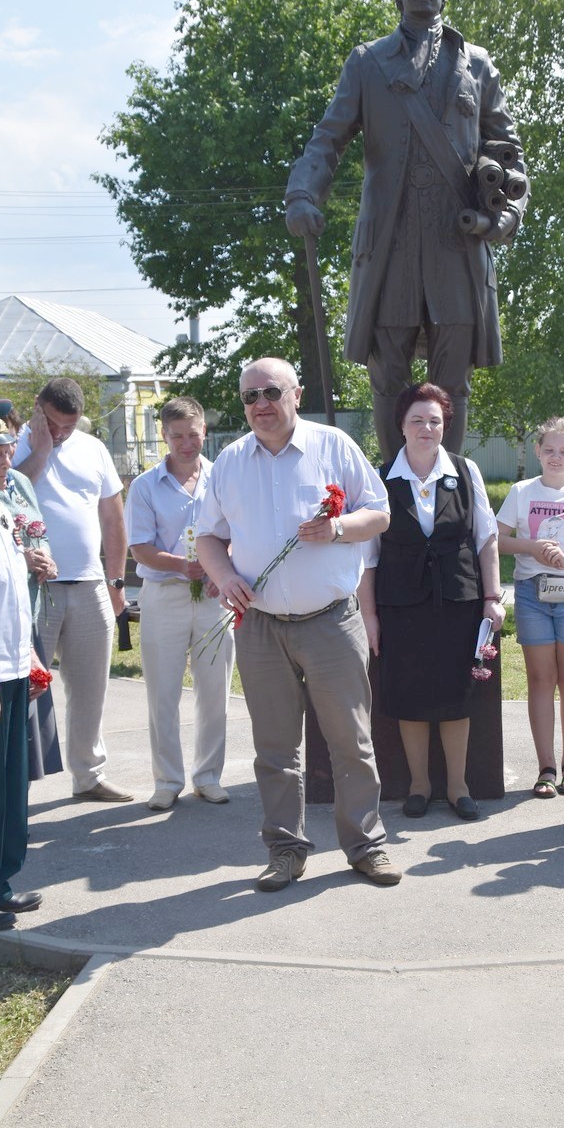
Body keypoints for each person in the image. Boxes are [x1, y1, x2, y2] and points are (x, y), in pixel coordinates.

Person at [285, 0, 529, 462]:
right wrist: (303, 193)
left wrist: (504, 213)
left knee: (452, 384)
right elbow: (327, 140)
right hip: (391, 246)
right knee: (388, 378)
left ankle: (451, 486)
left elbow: (509, 153)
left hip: (456, 246)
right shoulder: (368, 63)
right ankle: (393, 490)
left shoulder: (476, 64)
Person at [196, 358, 401, 891]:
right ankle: (285, 849)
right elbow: (208, 537)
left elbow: (379, 513)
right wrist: (222, 574)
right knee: (275, 748)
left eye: (271, 392)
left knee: (351, 743)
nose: (260, 405)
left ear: (296, 393)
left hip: (331, 621)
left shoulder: (334, 445)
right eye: (249, 397)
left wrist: (337, 529)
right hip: (260, 626)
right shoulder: (229, 463)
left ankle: (366, 845)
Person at [357, 383, 505, 821]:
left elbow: (487, 539)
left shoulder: (466, 471)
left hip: (458, 599)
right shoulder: (380, 478)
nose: (426, 428)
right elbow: (368, 557)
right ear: (401, 425)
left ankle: (458, 787)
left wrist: (492, 598)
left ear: (446, 427)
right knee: (409, 695)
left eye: (435, 421)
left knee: (456, 695)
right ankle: (419, 785)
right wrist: (369, 616)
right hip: (400, 604)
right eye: (417, 420)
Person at [11, 378, 133, 802]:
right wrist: (41, 452)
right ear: (36, 408)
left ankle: (89, 775)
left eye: (69, 426)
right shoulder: (9, 445)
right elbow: (3, 496)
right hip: (32, 588)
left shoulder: (93, 448)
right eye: (52, 423)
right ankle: (17, 784)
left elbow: (114, 521)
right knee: (24, 688)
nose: (60, 433)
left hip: (89, 584)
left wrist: (116, 580)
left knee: (90, 688)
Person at [124, 397, 235, 811]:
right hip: (165, 596)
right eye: (177, 436)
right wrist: (182, 566)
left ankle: (208, 777)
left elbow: (240, 531)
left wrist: (219, 570)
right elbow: (140, 548)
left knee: (215, 690)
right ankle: (167, 780)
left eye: (193, 434)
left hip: (213, 595)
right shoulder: (146, 486)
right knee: (163, 693)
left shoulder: (223, 478)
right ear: (164, 437)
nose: (187, 443)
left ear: (204, 431)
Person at [497, 417, 564, 799]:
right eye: (549, 450)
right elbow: (497, 540)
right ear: (537, 452)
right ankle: (545, 769)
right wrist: (533, 548)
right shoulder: (522, 491)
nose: (556, 457)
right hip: (531, 595)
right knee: (540, 681)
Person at [0, 417, 50, 929]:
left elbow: (8, 594)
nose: (7, 462)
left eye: (8, 451)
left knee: (10, 783)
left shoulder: (0, 509)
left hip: (10, 664)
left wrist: (25, 656)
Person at [0, 397, 62, 780]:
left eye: (9, 448)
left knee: (25, 725)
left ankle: (16, 808)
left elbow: (38, 529)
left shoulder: (18, 482)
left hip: (28, 610)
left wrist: (47, 559)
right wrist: (22, 562)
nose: (7, 458)